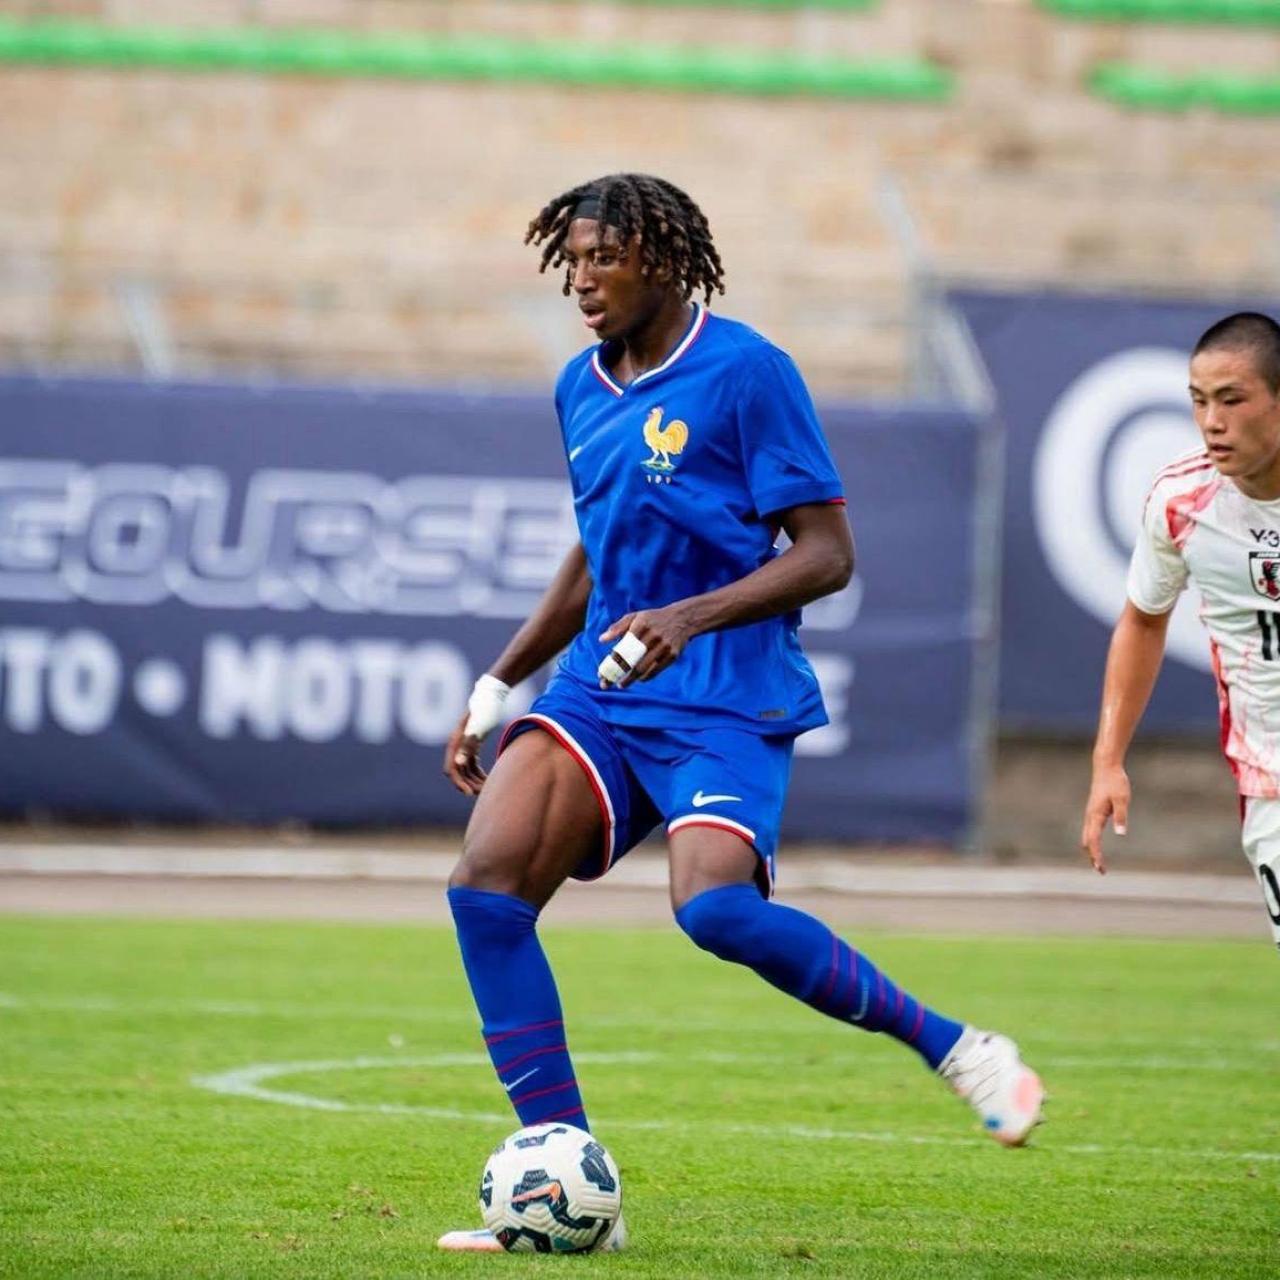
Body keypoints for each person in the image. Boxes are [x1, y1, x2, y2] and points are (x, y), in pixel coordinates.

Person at [437, 173, 1044, 1253]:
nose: (581, 281)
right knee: (485, 885)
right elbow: (594, 552)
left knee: (712, 910)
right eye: (570, 260)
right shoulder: (580, 385)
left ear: (664, 261)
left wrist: (689, 616)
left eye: (603, 259)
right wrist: (500, 682)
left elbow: (826, 554)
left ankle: (957, 1047)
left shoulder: (748, 372)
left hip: (724, 692)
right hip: (604, 685)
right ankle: (570, 1184)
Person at [1082, 311, 1280, 949]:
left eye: (1232, 400)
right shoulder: (1181, 502)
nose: (1212, 422)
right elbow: (1142, 618)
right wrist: (1108, 761)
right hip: (1270, 778)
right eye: (1198, 401)